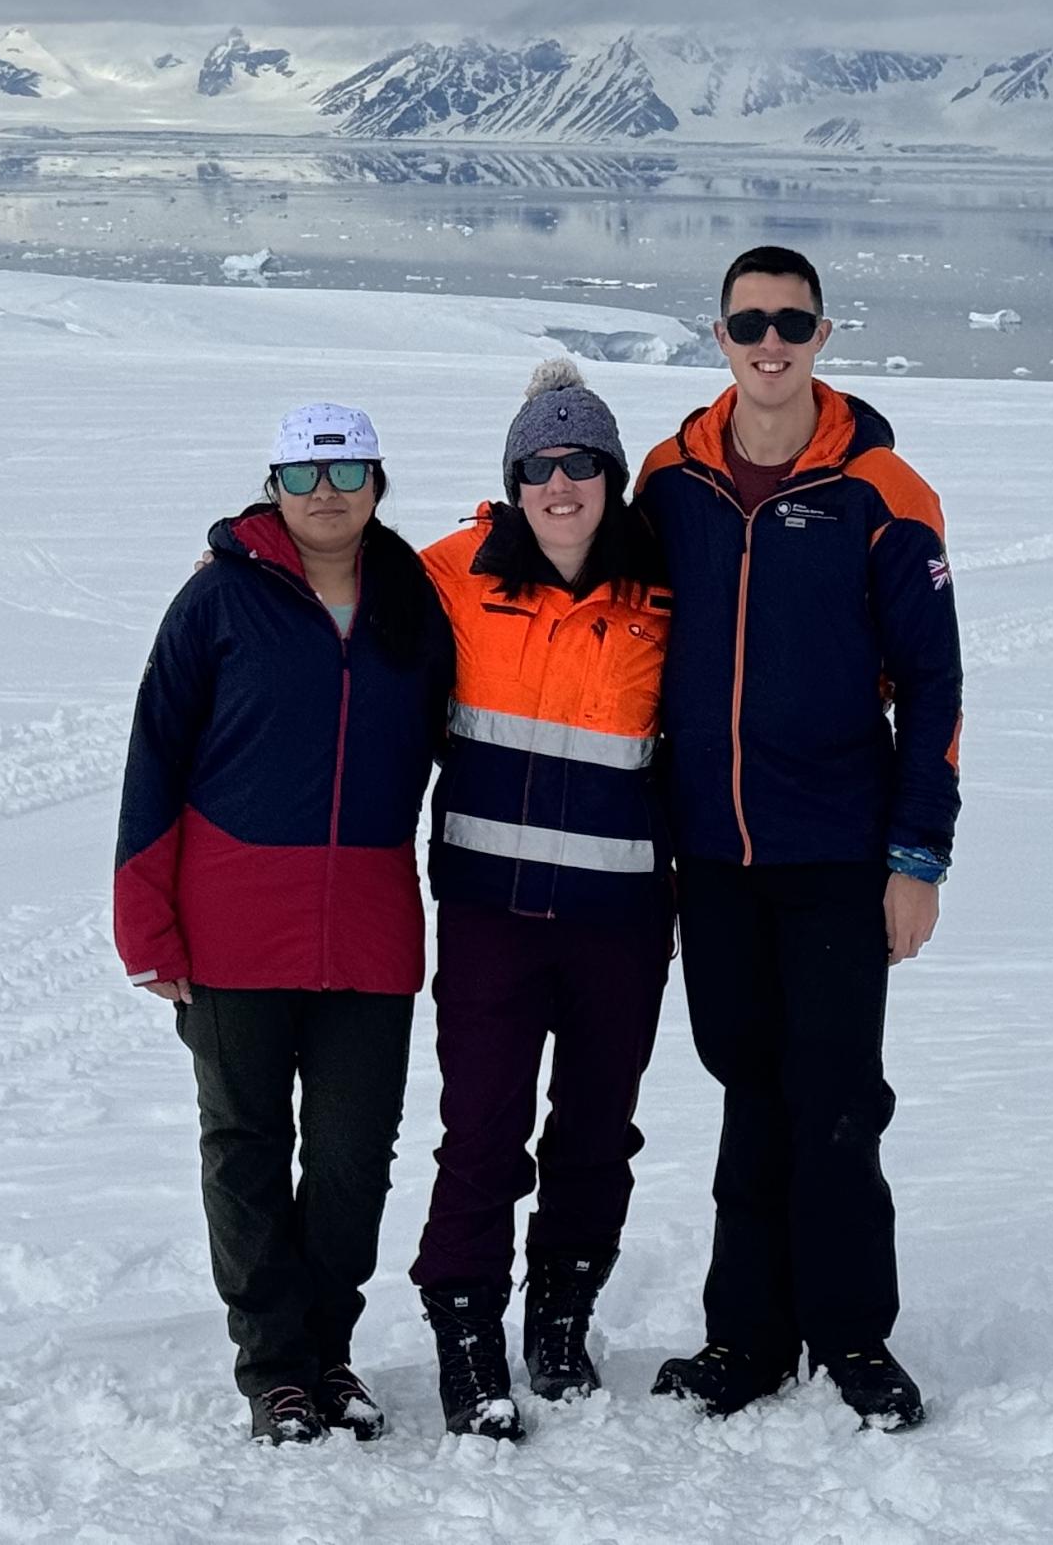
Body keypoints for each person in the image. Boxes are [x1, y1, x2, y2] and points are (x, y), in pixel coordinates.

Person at [637, 245, 961, 1432]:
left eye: (791, 322)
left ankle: (855, 1335)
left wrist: (917, 856)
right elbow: (591, 600)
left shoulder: (883, 489)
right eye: (747, 322)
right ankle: (748, 1336)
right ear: (716, 333)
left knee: (831, 1096)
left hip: (835, 850)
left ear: (824, 335)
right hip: (710, 855)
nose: (768, 343)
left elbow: (933, 683)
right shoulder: (669, 479)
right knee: (743, 1083)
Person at [113, 401, 455, 1446]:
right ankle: (277, 1369)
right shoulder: (219, 599)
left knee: (353, 1155)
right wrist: (147, 924)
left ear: (376, 483)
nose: (325, 494)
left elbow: (477, 738)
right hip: (231, 921)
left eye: (346, 472)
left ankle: (328, 1346)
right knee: (246, 1147)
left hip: (369, 924)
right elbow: (154, 755)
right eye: (303, 476)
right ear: (273, 486)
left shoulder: (414, 599)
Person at [409, 357, 676, 1442]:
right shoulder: (452, 573)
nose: (559, 484)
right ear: (512, 479)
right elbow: (327, 571)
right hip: (488, 914)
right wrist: (243, 548)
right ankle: (466, 1326)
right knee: (481, 1128)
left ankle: (560, 1313)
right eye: (537, 465)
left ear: (611, 474)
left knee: (595, 1133)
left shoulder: (663, 589)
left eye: (580, 463)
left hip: (620, 920)